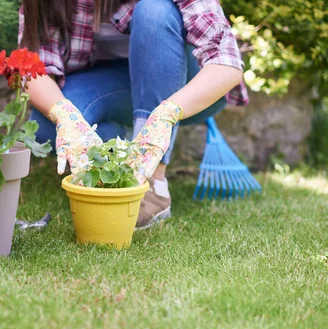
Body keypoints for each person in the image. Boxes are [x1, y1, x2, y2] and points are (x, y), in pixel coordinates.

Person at [19, 0, 248, 229]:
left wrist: (166, 114)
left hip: (185, 84)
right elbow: (34, 66)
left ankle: (153, 182)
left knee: (154, 9)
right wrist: (65, 116)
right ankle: (129, 143)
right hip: (114, 82)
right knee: (46, 128)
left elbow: (226, 63)